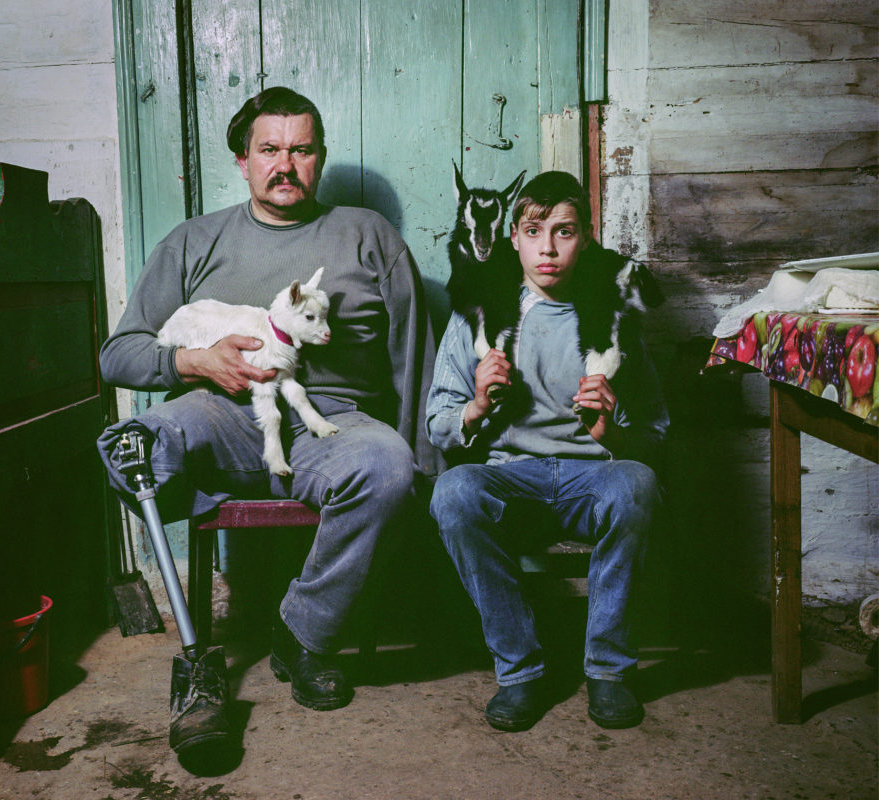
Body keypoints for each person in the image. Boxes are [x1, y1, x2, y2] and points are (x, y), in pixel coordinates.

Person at [97, 86, 440, 753]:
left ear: (320, 157)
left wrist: (425, 471)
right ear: (242, 159)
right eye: (270, 149)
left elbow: (414, 365)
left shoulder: (368, 237)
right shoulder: (195, 240)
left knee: (388, 464)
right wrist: (195, 361)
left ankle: (304, 633)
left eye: (302, 149)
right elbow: (119, 354)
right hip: (219, 414)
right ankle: (198, 662)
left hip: (327, 427)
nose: (286, 164)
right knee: (130, 445)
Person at [425, 170, 668, 732]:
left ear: (585, 236)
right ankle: (520, 671)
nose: (549, 248)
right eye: (535, 231)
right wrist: (479, 405)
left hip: (593, 478)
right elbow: (439, 424)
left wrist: (612, 431)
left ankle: (608, 672)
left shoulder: (614, 319)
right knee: (454, 493)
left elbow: (655, 436)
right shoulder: (481, 314)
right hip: (512, 476)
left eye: (564, 232)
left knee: (636, 485)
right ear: (514, 237)